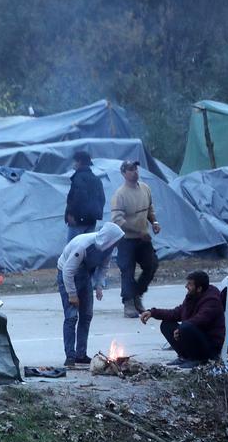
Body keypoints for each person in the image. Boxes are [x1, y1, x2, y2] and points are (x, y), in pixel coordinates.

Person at [57, 222, 124, 367]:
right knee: (71, 316)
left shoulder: (108, 248)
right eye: (117, 240)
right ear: (108, 238)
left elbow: (104, 266)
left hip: (84, 275)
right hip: (67, 276)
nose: (118, 243)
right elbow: (68, 271)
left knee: (86, 315)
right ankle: (70, 356)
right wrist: (72, 294)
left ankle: (81, 355)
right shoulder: (83, 246)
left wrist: (99, 285)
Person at [140, 271, 225, 367]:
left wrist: (181, 328)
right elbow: (176, 313)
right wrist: (152, 313)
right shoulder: (192, 296)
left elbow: (200, 319)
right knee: (167, 325)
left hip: (209, 347)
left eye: (190, 284)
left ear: (199, 288)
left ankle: (198, 359)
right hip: (194, 339)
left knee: (186, 327)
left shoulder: (212, 301)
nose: (186, 286)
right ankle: (185, 357)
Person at [110, 160, 161, 318]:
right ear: (124, 173)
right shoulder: (120, 194)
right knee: (127, 271)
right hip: (127, 240)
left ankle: (137, 294)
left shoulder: (145, 188)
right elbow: (117, 220)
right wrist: (138, 231)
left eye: (136, 169)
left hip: (143, 238)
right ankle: (129, 302)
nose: (134, 172)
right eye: (130, 170)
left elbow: (149, 209)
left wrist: (154, 222)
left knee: (152, 265)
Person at [64, 151, 105, 242]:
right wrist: (95, 214)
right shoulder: (96, 179)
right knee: (87, 248)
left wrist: (71, 214)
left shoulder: (78, 177)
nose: (73, 164)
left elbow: (79, 197)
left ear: (79, 162)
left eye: (74, 161)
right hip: (91, 220)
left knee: (73, 249)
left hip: (77, 221)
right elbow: (102, 199)